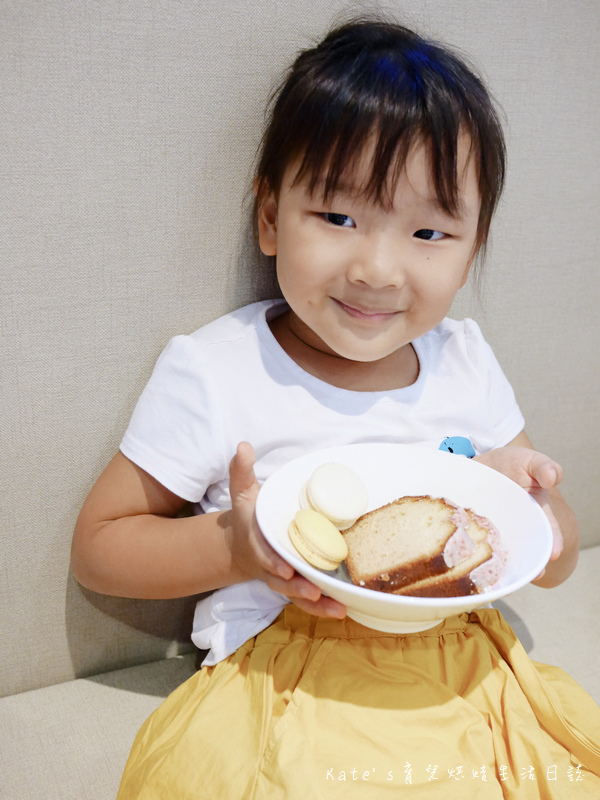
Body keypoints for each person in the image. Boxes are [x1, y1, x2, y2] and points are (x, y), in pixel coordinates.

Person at [71, 16, 600, 798]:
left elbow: (554, 561)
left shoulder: (465, 362)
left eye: (428, 230)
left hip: (466, 664)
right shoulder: (218, 369)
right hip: (285, 672)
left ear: (472, 244)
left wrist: (530, 499)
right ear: (269, 218)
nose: (378, 270)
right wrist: (237, 546)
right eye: (339, 217)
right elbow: (100, 548)